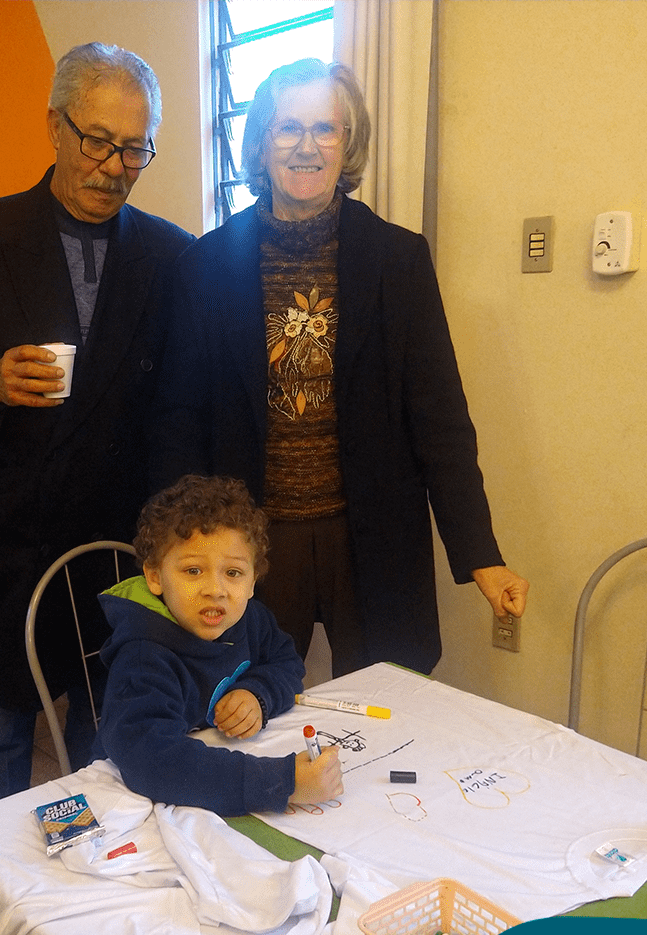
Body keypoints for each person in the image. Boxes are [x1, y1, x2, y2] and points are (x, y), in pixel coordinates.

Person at [151, 59, 528, 679]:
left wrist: (480, 553)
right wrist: (176, 544)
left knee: (389, 704)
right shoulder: (204, 266)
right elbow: (179, 420)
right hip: (247, 540)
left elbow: (439, 420)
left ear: (347, 144)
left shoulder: (399, 260)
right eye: (288, 128)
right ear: (261, 144)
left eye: (325, 128)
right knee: (243, 703)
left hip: (372, 533)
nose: (307, 147)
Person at [0, 43, 194, 813]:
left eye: (134, 149)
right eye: (97, 140)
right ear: (56, 127)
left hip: (120, 554)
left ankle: (82, 879)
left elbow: (179, 407)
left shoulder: (172, 255)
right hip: (11, 549)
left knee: (104, 750)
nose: (113, 167)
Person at [91, 474, 343, 816]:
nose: (215, 590)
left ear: (253, 581)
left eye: (233, 573)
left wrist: (257, 693)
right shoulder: (142, 657)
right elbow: (153, 761)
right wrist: (282, 782)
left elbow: (286, 662)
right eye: (193, 571)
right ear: (155, 576)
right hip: (128, 803)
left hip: (207, 783)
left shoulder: (251, 619)